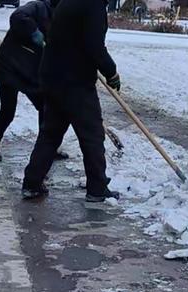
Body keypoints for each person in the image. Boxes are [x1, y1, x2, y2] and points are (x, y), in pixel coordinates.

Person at [21, 0, 121, 203]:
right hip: (75, 82)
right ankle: (97, 188)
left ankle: (31, 183)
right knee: (92, 135)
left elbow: (70, 38)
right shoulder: (93, 5)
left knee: (50, 134)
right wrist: (111, 72)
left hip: (52, 77)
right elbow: (94, 45)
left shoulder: (67, 2)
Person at [0, 0, 67, 162]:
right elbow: (17, 16)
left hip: (30, 72)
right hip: (9, 66)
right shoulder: (38, 7)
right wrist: (34, 31)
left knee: (45, 107)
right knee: (8, 110)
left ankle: (46, 148)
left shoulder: (61, 20)